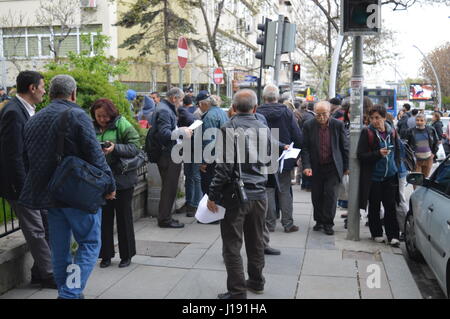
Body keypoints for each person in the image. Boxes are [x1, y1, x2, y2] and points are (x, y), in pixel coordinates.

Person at [19, 74, 116, 299]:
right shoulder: (76, 115)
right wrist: (109, 184)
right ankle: (70, 293)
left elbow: (27, 160)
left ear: (51, 93)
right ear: (73, 94)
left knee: (60, 251)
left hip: (50, 196)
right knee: (90, 242)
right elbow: (95, 156)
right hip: (77, 195)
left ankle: (68, 291)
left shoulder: (34, 119)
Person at [207, 89, 275, 299]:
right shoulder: (264, 128)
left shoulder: (229, 128)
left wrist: (212, 194)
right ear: (255, 108)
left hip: (236, 195)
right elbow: (269, 161)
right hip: (259, 193)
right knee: (255, 242)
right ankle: (256, 281)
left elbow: (224, 167)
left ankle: (237, 291)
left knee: (232, 245)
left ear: (234, 108)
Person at [0, 71, 56, 289]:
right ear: (32, 88)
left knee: (48, 225)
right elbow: (12, 155)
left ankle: (39, 272)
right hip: (22, 186)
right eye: (42, 86)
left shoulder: (25, 109)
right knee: (36, 230)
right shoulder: (14, 112)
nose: (44, 90)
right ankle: (50, 274)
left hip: (34, 183)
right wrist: (24, 189)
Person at [91, 98, 140, 269]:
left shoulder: (122, 124)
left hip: (122, 179)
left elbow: (135, 147)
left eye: (105, 116)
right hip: (101, 180)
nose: (102, 119)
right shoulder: (91, 127)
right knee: (104, 218)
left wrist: (115, 148)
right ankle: (105, 255)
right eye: (99, 116)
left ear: (112, 114)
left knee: (123, 218)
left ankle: (126, 256)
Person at [257, 84, 302, 233]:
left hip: (264, 155)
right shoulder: (287, 113)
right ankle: (288, 224)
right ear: (277, 97)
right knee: (284, 189)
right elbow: (297, 135)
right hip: (284, 156)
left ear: (264, 97)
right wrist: (296, 154)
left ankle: (269, 224)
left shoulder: (257, 112)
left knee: (268, 189)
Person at [146, 87, 192, 228]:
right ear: (174, 98)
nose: (182, 102)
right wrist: (182, 131)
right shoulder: (165, 110)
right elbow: (165, 134)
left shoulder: (164, 107)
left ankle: (166, 217)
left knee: (169, 187)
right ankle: (165, 219)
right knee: (169, 187)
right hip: (168, 155)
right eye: (181, 99)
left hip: (167, 153)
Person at [357, 104, 401, 247]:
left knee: (390, 206)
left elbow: (398, 151)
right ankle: (376, 233)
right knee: (374, 206)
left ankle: (393, 235)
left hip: (390, 176)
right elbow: (361, 155)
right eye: (372, 118)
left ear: (384, 117)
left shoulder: (392, 131)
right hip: (374, 177)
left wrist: (397, 167)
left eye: (377, 118)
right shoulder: (367, 133)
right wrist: (377, 154)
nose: (375, 121)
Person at [302, 101, 349, 236]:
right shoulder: (308, 125)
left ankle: (328, 223)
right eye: (318, 114)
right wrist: (306, 166)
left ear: (330, 113)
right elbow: (305, 148)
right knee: (316, 196)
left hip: (333, 166)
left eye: (324, 114)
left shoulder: (337, 125)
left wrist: (346, 166)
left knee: (330, 195)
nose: (321, 117)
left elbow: (344, 147)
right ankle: (319, 221)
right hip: (316, 167)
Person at [198, 90, 228, 195]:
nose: (199, 108)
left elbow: (209, 141)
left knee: (208, 189)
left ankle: (210, 210)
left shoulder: (209, 116)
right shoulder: (222, 112)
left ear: (204, 104)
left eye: (200, 105)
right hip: (221, 156)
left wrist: (204, 162)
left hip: (212, 160)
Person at [176, 95, 199, 217]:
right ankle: (191, 204)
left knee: (193, 177)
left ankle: (193, 204)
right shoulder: (193, 113)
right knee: (191, 176)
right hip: (191, 148)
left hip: (192, 148)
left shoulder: (183, 112)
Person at [405, 113, 439, 178]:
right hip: (415, 160)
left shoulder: (431, 130)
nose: (419, 122)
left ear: (425, 121)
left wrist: (433, 153)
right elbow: (406, 145)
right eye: (417, 120)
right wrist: (410, 156)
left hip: (428, 159)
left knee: (425, 179)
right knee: (416, 180)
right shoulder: (410, 131)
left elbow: (436, 142)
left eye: (421, 120)